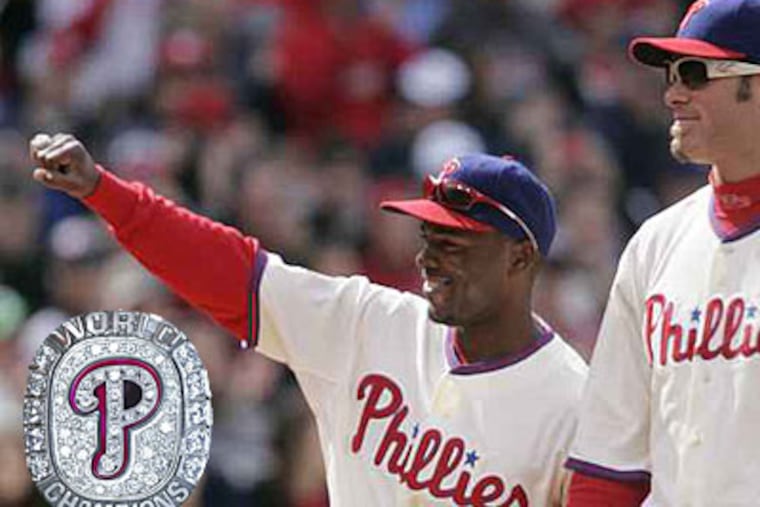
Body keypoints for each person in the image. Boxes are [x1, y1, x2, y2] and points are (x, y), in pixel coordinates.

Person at [28, 133, 587, 506]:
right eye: (428, 236)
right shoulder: (369, 322)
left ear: (520, 256)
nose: (428, 257)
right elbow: (230, 271)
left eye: (455, 242)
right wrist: (107, 194)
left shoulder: (574, 402)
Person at [565, 0, 760, 505]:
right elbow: (607, 463)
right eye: (671, 74)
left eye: (695, 73)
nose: (673, 92)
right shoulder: (655, 244)